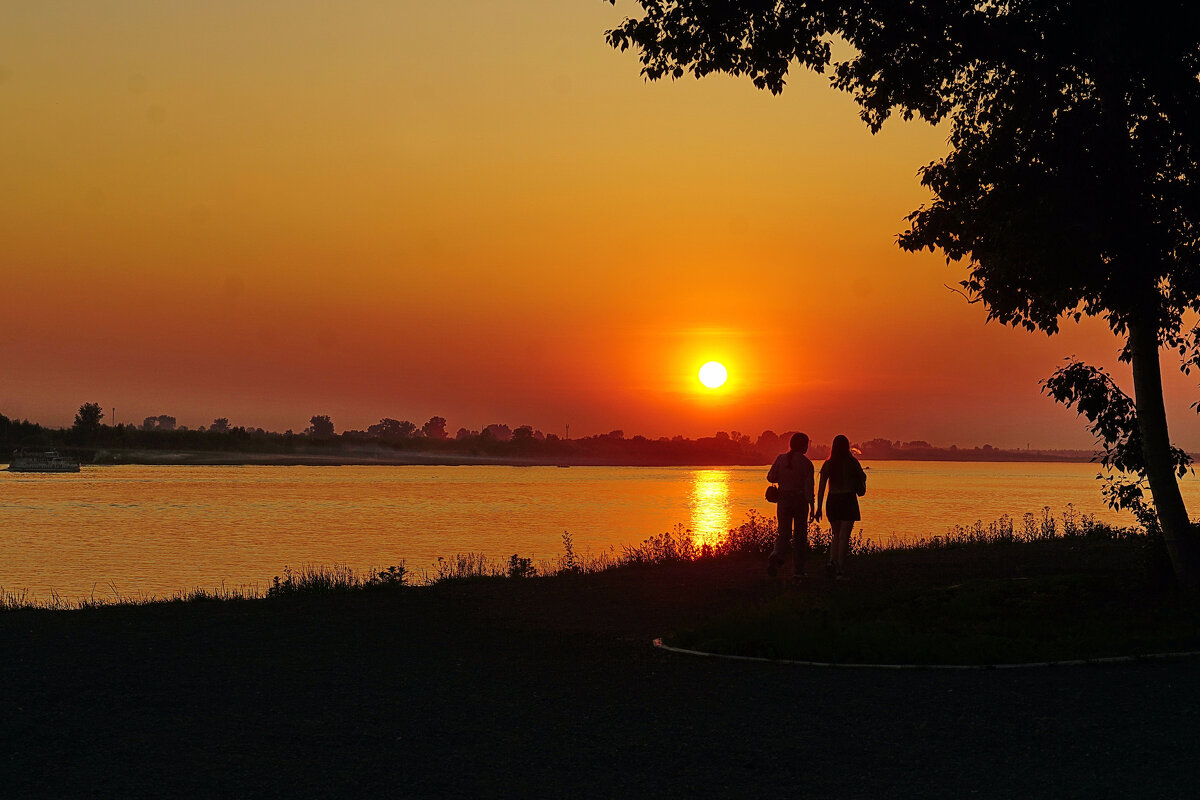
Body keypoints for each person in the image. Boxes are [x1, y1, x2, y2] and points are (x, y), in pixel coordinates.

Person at [816, 434, 866, 580]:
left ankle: (832, 561)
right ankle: (840, 570)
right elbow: (862, 477)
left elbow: (821, 488)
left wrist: (818, 508)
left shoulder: (828, 464)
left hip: (832, 500)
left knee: (836, 534)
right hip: (848, 499)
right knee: (844, 536)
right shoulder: (852, 462)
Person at [766, 432, 815, 579]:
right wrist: (812, 506)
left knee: (784, 532)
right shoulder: (807, 463)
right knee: (800, 536)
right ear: (803, 446)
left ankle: (776, 554)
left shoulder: (781, 459)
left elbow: (770, 477)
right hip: (800, 500)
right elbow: (809, 488)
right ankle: (798, 571)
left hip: (783, 499)